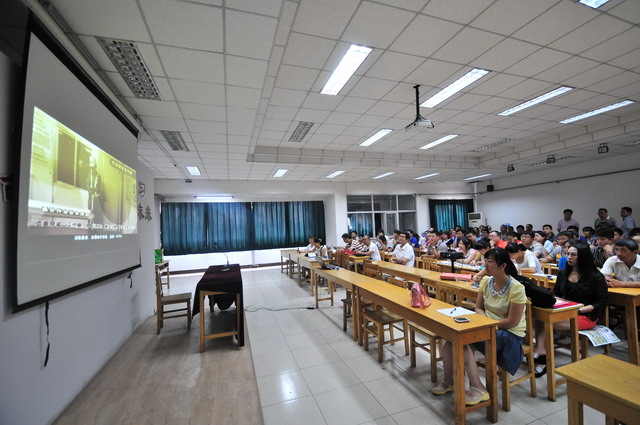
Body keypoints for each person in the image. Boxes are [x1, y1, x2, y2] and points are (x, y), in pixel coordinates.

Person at [432, 248, 526, 405]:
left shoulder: (516, 288)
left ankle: (478, 388)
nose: (485, 265)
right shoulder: (486, 281)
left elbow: (512, 321)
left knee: (463, 340)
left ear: (503, 266)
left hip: (510, 334)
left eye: (490, 262)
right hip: (488, 326)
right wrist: (485, 322)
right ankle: (449, 381)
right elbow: (478, 308)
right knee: (450, 340)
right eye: (485, 261)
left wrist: (490, 324)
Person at [533, 241, 608, 377]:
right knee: (540, 316)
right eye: (568, 254)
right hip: (565, 311)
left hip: (586, 315)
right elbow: (556, 294)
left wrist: (577, 310)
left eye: (573, 255)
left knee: (545, 321)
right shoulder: (563, 273)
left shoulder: (596, 276)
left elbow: (600, 303)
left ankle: (541, 356)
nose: (569, 257)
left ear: (583, 257)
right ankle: (541, 351)